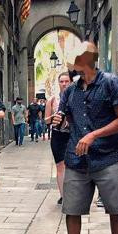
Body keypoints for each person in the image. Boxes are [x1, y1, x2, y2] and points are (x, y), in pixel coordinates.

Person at [52, 41, 118, 234]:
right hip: (77, 161)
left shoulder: (111, 83)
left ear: (86, 60)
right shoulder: (71, 92)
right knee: (72, 210)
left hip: (107, 157)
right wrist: (61, 122)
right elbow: (66, 120)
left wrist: (94, 134)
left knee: (116, 210)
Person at [45, 72, 73, 204]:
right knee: (60, 165)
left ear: (71, 82)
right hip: (58, 136)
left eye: (66, 81)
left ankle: (73, 193)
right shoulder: (52, 99)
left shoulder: (77, 97)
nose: (64, 84)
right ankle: (64, 195)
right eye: (61, 81)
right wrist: (54, 117)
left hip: (73, 135)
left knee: (72, 165)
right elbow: (46, 121)